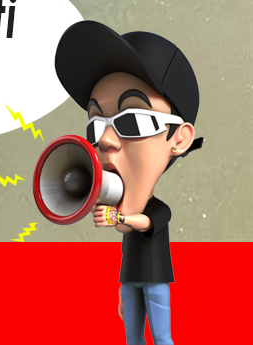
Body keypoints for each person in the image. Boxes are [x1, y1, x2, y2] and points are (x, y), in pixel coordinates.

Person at [52, 21, 200, 345]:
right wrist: (122, 290)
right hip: (129, 281)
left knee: (162, 338)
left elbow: (145, 223)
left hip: (156, 281)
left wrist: (118, 218)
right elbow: (128, 243)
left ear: (179, 139)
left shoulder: (157, 209)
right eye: (95, 124)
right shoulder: (124, 205)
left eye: (132, 120)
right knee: (132, 338)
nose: (104, 139)